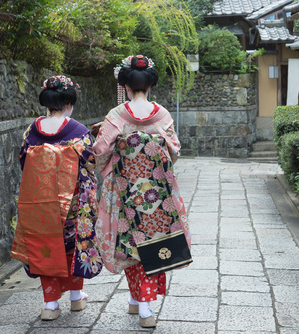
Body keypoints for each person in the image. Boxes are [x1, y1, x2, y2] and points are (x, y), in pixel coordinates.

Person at [93, 55, 191, 328]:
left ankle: (140, 303)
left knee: (128, 242)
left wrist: (113, 164)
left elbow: (100, 150)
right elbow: (174, 150)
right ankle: (143, 306)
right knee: (154, 239)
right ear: (150, 86)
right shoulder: (161, 114)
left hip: (123, 190)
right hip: (156, 191)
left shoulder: (116, 115)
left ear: (124, 85)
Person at [11, 75, 102, 321]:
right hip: (71, 203)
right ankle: (76, 297)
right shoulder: (79, 131)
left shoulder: (32, 131)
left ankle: (50, 304)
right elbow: (91, 165)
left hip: (41, 201)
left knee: (44, 245)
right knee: (73, 244)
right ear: (69, 103)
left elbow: (23, 162)